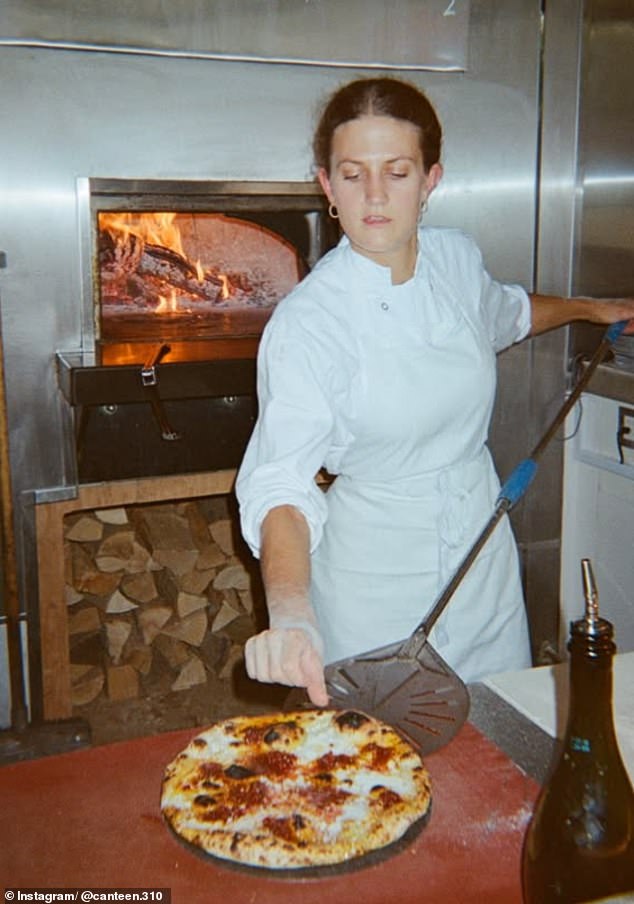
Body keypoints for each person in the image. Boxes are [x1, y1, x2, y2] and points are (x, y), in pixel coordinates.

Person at [235, 77, 634, 707]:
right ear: (326, 186)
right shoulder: (309, 323)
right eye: (352, 173)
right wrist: (290, 614)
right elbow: (280, 483)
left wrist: (592, 306)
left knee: (500, 744)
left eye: (396, 172)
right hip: (376, 587)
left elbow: (506, 312)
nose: (373, 195)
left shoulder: (455, 260)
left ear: (430, 180)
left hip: (482, 569)